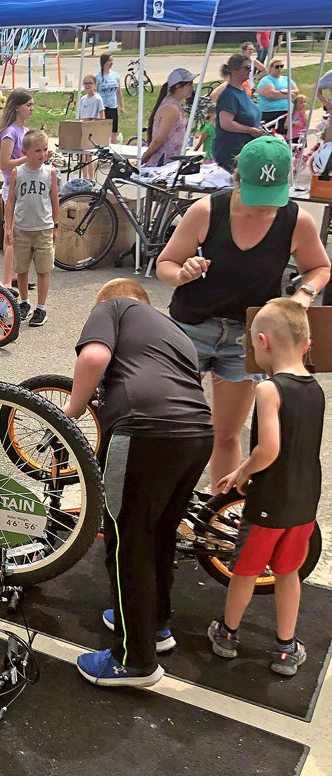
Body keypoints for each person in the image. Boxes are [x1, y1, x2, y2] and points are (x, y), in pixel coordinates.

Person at [63, 280, 214, 689]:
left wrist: (71, 410)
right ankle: (155, 626)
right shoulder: (172, 330)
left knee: (127, 539)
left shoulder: (113, 308)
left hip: (142, 431)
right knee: (161, 534)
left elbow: (94, 357)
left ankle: (134, 659)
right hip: (197, 432)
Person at [156, 136, 330, 490]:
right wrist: (183, 272)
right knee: (172, 426)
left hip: (247, 335)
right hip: (192, 326)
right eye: (257, 197)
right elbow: (165, 265)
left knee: (227, 433)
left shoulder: (296, 221)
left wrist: (304, 293)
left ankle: (216, 513)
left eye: (272, 200)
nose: (266, 208)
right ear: (237, 178)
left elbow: (319, 268)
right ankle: (165, 500)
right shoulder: (207, 211)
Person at [208, 299, 324, 676]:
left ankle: (227, 634)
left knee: (245, 571)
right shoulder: (316, 388)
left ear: (263, 343)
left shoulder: (268, 390)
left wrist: (242, 473)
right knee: (288, 572)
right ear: (307, 345)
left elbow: (269, 449)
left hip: (269, 503)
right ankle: (287, 648)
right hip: (305, 502)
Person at [4, 129, 59, 328]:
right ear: (24, 152)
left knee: (43, 270)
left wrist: (55, 225)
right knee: (22, 269)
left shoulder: (49, 172)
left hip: (43, 228)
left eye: (45, 149)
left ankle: (41, 308)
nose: (42, 154)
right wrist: (8, 227)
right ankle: (24, 302)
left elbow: (54, 200)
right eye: (37, 150)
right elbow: (10, 201)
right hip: (22, 228)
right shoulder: (18, 172)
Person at [0, 88, 34, 287]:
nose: (32, 109)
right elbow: (5, 163)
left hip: (25, 187)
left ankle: (18, 274)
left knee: (22, 235)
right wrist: (29, 158)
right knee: (12, 235)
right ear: (17, 107)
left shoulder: (25, 131)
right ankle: (8, 281)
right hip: (12, 188)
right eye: (28, 105)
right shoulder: (10, 133)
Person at [211, 53, 263, 172]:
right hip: (231, 151)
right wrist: (250, 130)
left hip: (244, 149)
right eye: (247, 68)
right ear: (234, 71)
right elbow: (226, 123)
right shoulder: (229, 95)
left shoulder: (242, 90)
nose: (250, 71)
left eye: (251, 68)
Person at [142, 69, 195, 167]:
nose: (192, 88)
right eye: (189, 85)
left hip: (172, 161)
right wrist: (144, 157)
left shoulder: (174, 105)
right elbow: (158, 140)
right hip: (165, 162)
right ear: (178, 87)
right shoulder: (171, 109)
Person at [257, 57, 298, 135]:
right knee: (275, 134)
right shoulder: (266, 80)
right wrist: (288, 94)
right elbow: (272, 94)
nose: (279, 68)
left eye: (281, 66)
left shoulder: (286, 79)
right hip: (271, 112)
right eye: (277, 66)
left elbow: (296, 92)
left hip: (288, 111)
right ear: (270, 68)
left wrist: (282, 92)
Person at [76, 76, 104, 181]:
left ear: (95, 85)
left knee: (89, 156)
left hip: (92, 130)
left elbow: (102, 114)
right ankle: (85, 178)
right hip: (83, 128)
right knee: (82, 156)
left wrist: (100, 128)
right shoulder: (82, 99)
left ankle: (91, 179)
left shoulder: (97, 99)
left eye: (90, 83)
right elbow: (80, 114)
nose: (87, 85)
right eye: (85, 83)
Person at [96, 53, 125, 143]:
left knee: (114, 131)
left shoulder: (115, 75)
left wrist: (122, 106)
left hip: (113, 106)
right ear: (103, 62)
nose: (111, 63)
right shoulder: (97, 77)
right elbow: (95, 93)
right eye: (109, 61)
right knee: (103, 131)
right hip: (102, 107)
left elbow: (119, 92)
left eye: (112, 61)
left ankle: (113, 151)